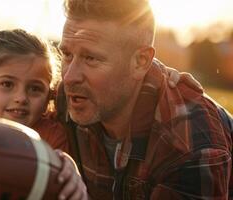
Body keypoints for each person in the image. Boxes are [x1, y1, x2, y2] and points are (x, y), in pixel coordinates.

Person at [57, 0, 233, 199]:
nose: (69, 77)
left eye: (91, 58)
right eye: (67, 54)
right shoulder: (68, 98)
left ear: (141, 62)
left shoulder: (188, 142)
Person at [0, 29, 87, 200]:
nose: (21, 98)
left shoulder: (51, 139)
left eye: (35, 88)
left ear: (48, 97)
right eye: (7, 84)